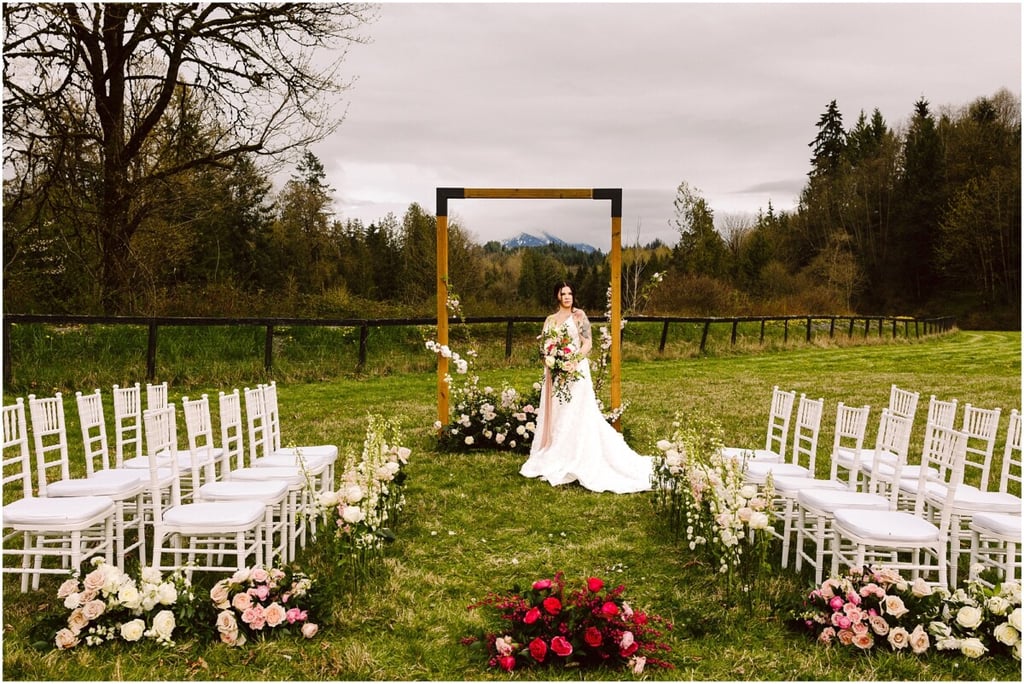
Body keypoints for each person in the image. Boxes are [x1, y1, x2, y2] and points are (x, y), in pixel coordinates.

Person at [520, 281, 653, 493]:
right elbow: (544, 347)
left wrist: (572, 360)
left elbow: (588, 343)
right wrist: (552, 361)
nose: (567, 297)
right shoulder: (550, 320)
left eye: (570, 293)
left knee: (577, 410)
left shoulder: (579, 316)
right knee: (559, 410)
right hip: (556, 372)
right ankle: (558, 451)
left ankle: (580, 453)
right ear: (557, 296)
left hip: (577, 370)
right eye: (563, 293)